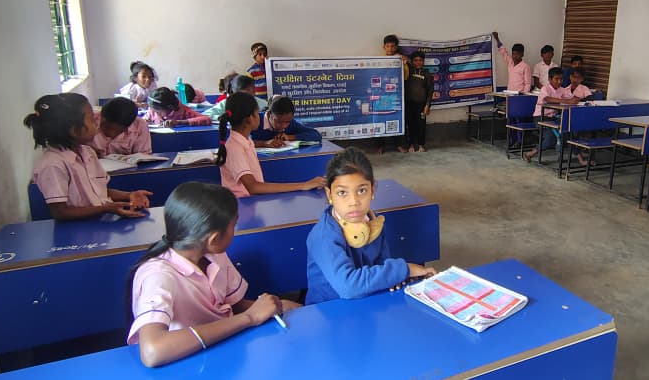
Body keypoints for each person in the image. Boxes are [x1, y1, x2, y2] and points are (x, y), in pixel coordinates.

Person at [127, 182, 299, 367]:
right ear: (214, 239)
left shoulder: (215, 255)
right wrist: (250, 317)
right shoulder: (158, 276)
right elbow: (153, 351)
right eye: (234, 225)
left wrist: (276, 307)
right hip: (187, 362)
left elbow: (234, 305)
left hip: (225, 348)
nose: (235, 230)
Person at [304, 147, 436, 304]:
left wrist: (394, 279)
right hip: (328, 310)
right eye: (342, 193)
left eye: (361, 191)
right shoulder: (323, 236)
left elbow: (383, 265)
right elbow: (348, 286)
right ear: (329, 194)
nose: (353, 202)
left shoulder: (374, 223)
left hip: (367, 302)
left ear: (372, 190)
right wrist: (404, 270)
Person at [24, 93, 152, 220]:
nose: (97, 124)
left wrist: (128, 195)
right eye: (91, 119)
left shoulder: (87, 152)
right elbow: (60, 212)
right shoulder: (53, 164)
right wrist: (106, 208)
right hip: (79, 230)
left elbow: (98, 192)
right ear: (74, 130)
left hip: (101, 223)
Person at [216, 92, 326, 197]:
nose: (259, 116)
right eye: (257, 114)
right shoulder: (235, 148)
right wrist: (304, 185)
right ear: (250, 118)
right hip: (242, 203)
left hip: (251, 200)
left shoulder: (245, 141)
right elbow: (253, 187)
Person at [524, 67, 577, 162]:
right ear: (549, 79)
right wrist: (567, 101)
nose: (559, 81)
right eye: (556, 79)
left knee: (568, 131)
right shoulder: (545, 88)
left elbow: (572, 98)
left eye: (561, 79)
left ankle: (573, 158)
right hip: (540, 118)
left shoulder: (562, 89)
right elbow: (548, 99)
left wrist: (574, 99)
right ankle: (531, 153)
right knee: (551, 138)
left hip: (554, 118)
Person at [376, 34, 410, 154]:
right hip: (381, 95)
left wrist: (404, 63)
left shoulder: (400, 60)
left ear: (396, 47)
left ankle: (399, 145)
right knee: (381, 119)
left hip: (395, 96)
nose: (390, 48)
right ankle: (380, 146)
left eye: (392, 46)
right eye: (388, 46)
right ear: (384, 47)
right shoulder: (378, 60)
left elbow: (405, 77)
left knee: (396, 118)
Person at [251, 96, 322, 148]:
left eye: (287, 122)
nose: (283, 126)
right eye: (279, 122)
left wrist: (290, 137)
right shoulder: (255, 120)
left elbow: (316, 135)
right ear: (269, 114)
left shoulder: (291, 123)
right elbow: (244, 141)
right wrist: (264, 143)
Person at [401, 51, 434, 153]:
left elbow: (430, 92)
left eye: (420, 60)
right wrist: (403, 59)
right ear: (412, 61)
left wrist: (427, 105)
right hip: (409, 103)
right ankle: (411, 144)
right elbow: (402, 59)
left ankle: (421, 144)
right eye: (415, 60)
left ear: (423, 61)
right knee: (410, 124)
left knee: (421, 125)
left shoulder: (428, 74)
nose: (418, 62)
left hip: (421, 105)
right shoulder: (408, 71)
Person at [145, 87, 211, 127]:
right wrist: (144, 122)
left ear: (170, 107)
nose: (155, 113)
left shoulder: (184, 111)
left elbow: (206, 119)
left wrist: (179, 122)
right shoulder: (152, 110)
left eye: (158, 112)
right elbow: (146, 119)